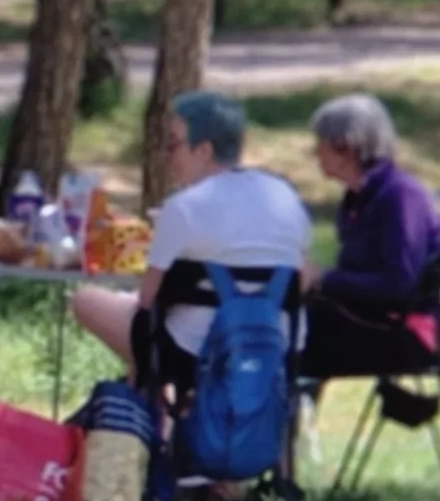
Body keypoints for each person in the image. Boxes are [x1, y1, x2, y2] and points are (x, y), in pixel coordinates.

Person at [73, 88, 309, 375]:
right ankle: (159, 403)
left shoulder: (183, 207)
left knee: (86, 299)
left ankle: (149, 407)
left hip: (192, 352)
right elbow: (304, 273)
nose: (169, 157)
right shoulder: (283, 195)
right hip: (280, 346)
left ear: (204, 151)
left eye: (173, 145)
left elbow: (148, 300)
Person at [294, 93, 440, 378]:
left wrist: (323, 279)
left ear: (347, 148)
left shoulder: (400, 196)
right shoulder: (356, 199)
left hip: (407, 332)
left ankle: (280, 416)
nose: (316, 154)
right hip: (371, 321)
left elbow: (399, 284)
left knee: (290, 331)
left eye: (321, 145)